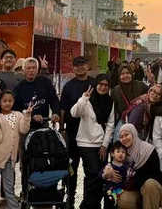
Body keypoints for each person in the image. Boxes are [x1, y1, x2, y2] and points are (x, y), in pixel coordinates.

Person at [71, 73, 119, 209]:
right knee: (93, 174)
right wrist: (83, 99)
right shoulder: (87, 100)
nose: (103, 87)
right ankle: (88, 205)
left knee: (101, 176)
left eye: (106, 85)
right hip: (85, 143)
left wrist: (105, 145)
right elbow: (74, 113)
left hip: (101, 144)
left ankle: (92, 204)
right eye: (100, 84)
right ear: (96, 84)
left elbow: (110, 125)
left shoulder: (110, 102)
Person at [0, 90, 31, 209]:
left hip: (10, 159)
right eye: (4, 101)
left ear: (13, 102)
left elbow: (23, 129)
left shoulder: (19, 115)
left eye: (10, 101)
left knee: (9, 187)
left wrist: (27, 116)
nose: (7, 103)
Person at [62, 56, 96, 209]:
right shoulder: (68, 86)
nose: (79, 68)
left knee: (90, 169)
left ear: (87, 66)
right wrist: (62, 128)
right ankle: (70, 197)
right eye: (76, 66)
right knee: (71, 167)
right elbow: (63, 108)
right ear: (73, 68)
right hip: (72, 131)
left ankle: (88, 200)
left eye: (82, 65)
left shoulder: (94, 83)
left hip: (90, 133)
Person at [109, 124, 162, 209]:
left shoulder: (148, 150)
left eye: (127, 135)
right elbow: (113, 170)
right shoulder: (122, 154)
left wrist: (133, 179)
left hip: (155, 191)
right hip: (136, 191)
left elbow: (155, 176)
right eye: (121, 137)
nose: (124, 139)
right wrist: (109, 174)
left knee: (150, 184)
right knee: (123, 199)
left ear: (134, 134)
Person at [13, 57, 60, 129]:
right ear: (23, 71)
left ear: (37, 70)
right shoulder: (18, 88)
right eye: (28, 68)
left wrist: (55, 113)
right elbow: (17, 109)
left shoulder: (45, 82)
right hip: (26, 126)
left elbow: (54, 100)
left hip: (44, 125)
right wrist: (32, 116)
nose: (31, 70)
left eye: (33, 68)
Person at [102, 142, 129, 209]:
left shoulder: (126, 166)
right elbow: (100, 175)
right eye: (118, 151)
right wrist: (105, 174)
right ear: (112, 154)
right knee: (109, 205)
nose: (120, 154)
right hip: (109, 192)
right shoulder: (109, 165)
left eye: (123, 152)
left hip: (121, 192)